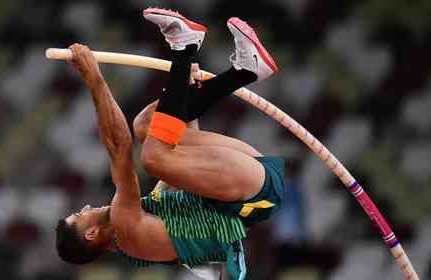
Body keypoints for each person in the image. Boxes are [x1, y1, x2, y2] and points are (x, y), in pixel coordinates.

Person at [55, 8, 284, 280]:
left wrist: (182, 86)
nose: (86, 208)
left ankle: (245, 71)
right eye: (80, 215)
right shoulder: (127, 229)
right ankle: (185, 47)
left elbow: (180, 150)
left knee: (146, 125)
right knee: (153, 158)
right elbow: (119, 147)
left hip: (246, 179)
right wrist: (93, 78)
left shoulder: (151, 215)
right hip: (254, 193)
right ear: (90, 234)